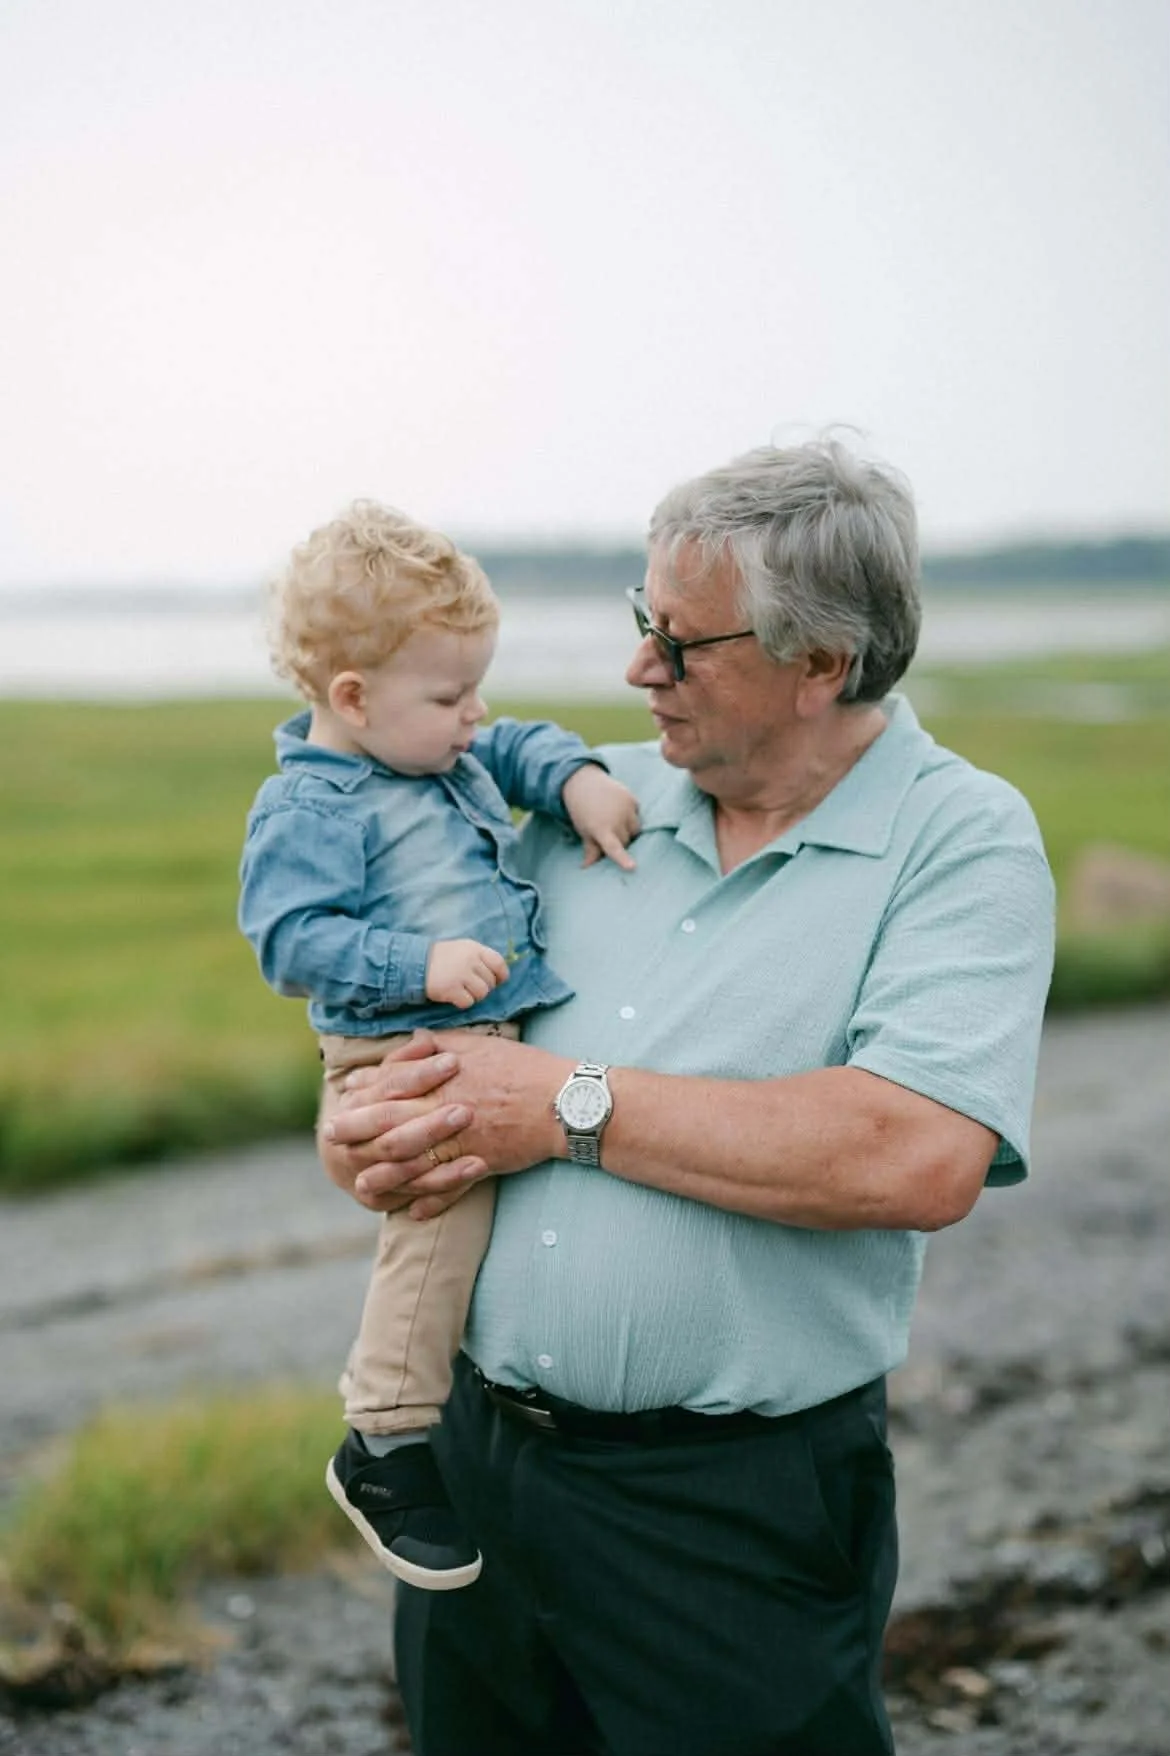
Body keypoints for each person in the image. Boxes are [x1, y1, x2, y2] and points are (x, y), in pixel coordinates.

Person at [320, 440, 1056, 1756]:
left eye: (681, 641)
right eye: (636, 621)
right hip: (477, 1465)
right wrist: (368, 1125)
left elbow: (913, 1153)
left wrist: (567, 1107)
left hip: (731, 1511)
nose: (637, 669)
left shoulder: (961, 838)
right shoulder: (576, 801)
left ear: (821, 661)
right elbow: (417, 1028)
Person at [238, 501, 640, 1591]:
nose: (478, 715)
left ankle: (468, 1403)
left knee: (492, 1224)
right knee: (439, 1220)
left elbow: (512, 745)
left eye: (477, 687)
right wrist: (416, 964)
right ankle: (384, 1436)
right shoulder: (311, 806)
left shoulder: (435, 752)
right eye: (452, 695)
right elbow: (288, 941)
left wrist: (574, 777)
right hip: (401, 1048)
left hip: (474, 1029)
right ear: (353, 698)